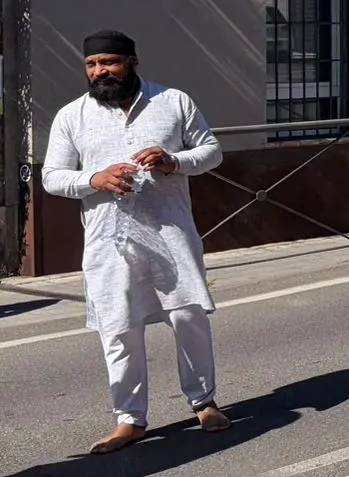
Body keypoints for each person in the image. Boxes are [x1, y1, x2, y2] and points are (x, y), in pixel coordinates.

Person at [42, 30, 229, 453]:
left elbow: (212, 152)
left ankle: (204, 402)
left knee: (188, 318)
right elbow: (51, 176)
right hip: (109, 243)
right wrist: (94, 179)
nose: (99, 71)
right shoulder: (72, 116)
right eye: (91, 64)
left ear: (132, 61)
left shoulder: (173, 102)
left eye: (108, 62)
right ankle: (129, 419)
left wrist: (173, 161)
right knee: (118, 328)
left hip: (171, 234)